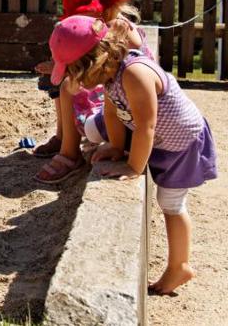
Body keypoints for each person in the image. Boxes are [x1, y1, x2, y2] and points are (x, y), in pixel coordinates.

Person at [47, 15, 217, 296]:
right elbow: (113, 110)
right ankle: (179, 265)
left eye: (74, 72)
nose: (73, 80)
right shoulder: (112, 75)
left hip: (181, 145)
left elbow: (146, 126)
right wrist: (115, 145)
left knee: (171, 203)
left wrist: (133, 167)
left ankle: (180, 266)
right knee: (164, 196)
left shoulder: (134, 73)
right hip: (158, 140)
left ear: (91, 63)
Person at [33, 0, 149, 161]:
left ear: (99, 10)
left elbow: (102, 66)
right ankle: (62, 137)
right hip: (119, 101)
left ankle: (69, 151)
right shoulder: (114, 22)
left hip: (122, 110)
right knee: (63, 80)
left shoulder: (116, 28)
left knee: (68, 86)